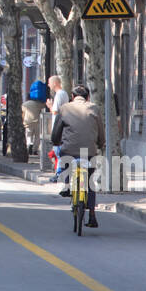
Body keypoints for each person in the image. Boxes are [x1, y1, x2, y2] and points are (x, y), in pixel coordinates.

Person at [51, 84, 106, 228]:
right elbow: (100, 130)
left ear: (72, 97)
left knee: (65, 162)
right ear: (88, 97)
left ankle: (68, 185)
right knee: (90, 182)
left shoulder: (64, 108)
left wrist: (56, 142)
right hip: (89, 151)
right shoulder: (94, 108)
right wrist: (101, 144)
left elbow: (56, 131)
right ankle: (92, 215)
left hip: (69, 150)